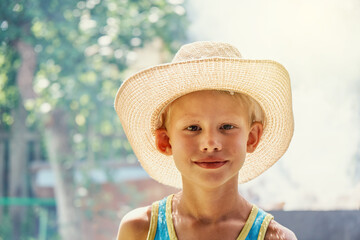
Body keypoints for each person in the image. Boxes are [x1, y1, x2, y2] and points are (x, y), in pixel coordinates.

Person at [114, 41, 297, 240]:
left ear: (252, 137)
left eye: (227, 127)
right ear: (165, 141)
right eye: (193, 128)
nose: (210, 143)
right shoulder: (140, 230)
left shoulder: (275, 237)